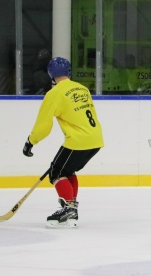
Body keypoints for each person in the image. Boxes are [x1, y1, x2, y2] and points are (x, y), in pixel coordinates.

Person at [22, 57, 104, 228]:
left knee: (56, 172)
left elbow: (44, 125)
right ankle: (71, 207)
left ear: (51, 74)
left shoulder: (54, 94)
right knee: (67, 170)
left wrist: (31, 141)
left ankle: (69, 209)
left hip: (78, 140)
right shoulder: (82, 89)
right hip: (96, 139)